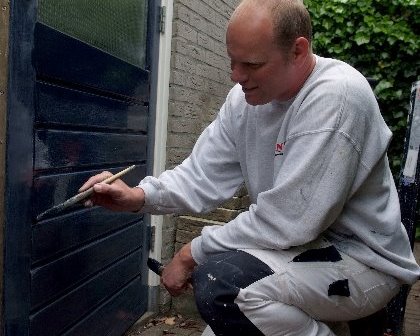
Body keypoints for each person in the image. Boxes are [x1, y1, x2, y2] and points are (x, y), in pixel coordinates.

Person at [79, 0, 420, 335]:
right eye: (233, 62)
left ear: (298, 51)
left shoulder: (337, 98)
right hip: (301, 251)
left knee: (222, 286)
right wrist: (138, 195)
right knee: (227, 309)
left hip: (363, 262)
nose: (236, 76)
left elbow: (287, 219)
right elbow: (202, 175)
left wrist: (189, 254)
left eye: (252, 65)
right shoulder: (245, 100)